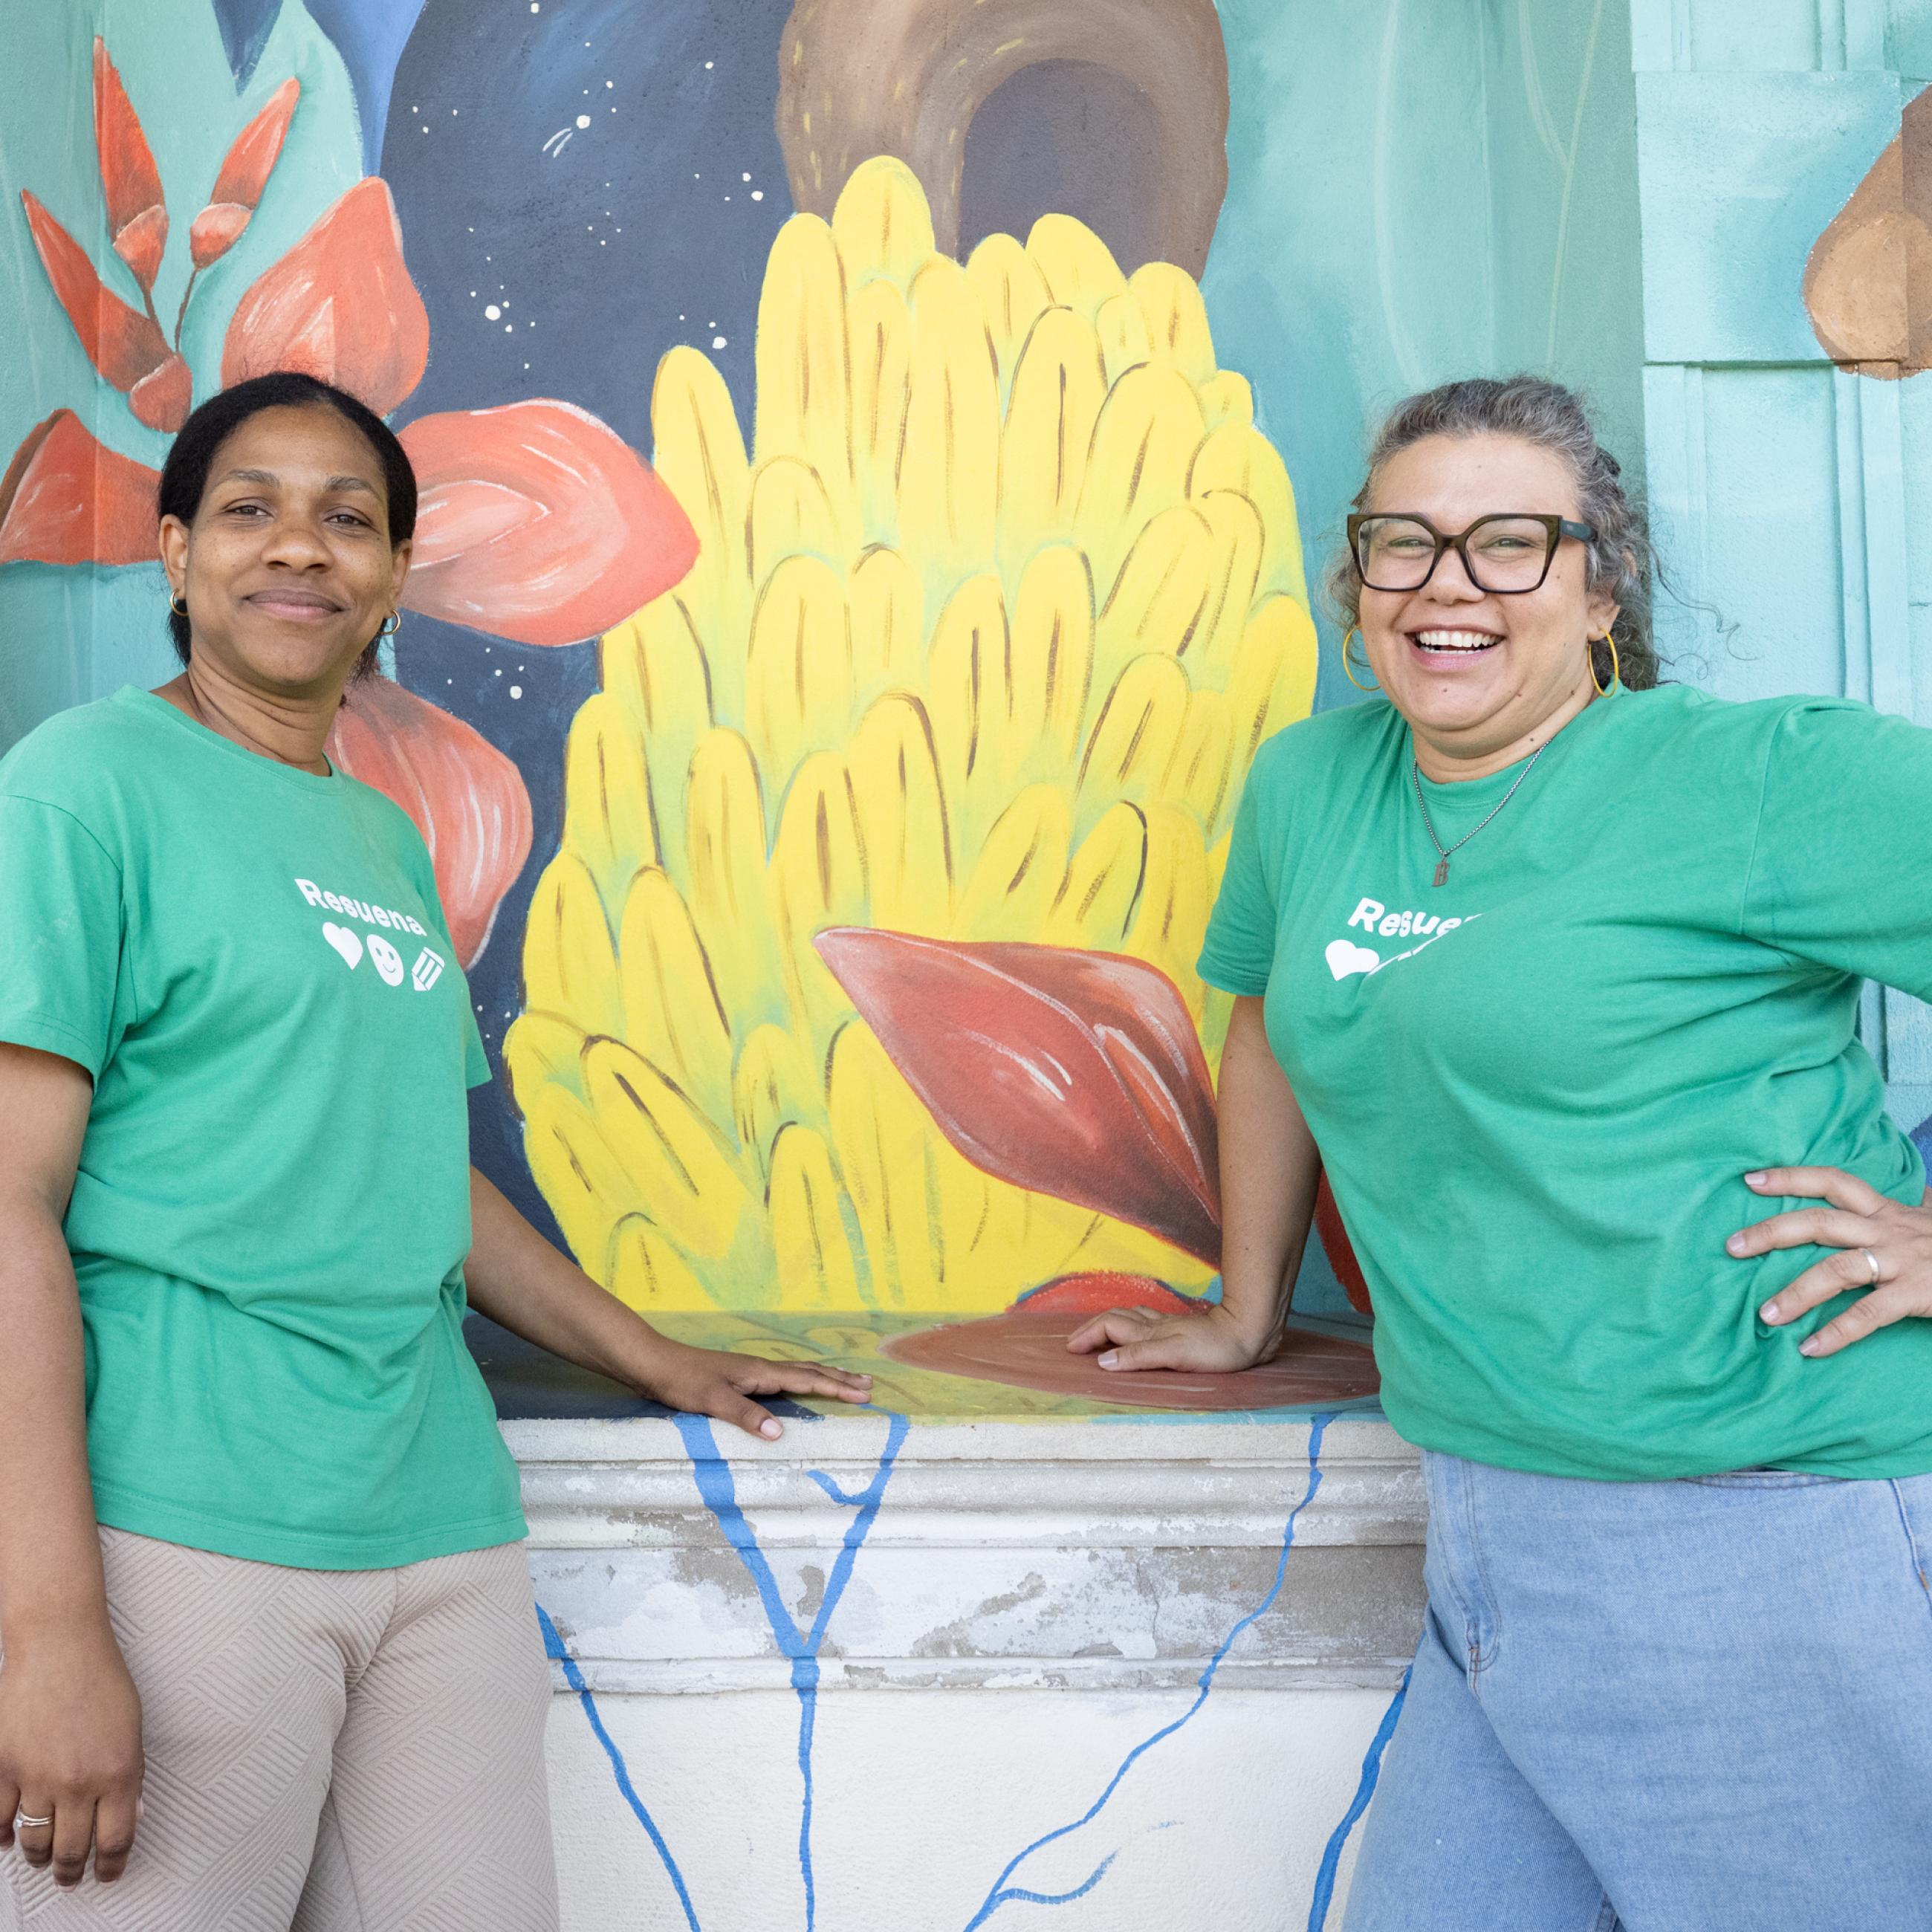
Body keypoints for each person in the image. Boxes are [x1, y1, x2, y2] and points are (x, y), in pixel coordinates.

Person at [0, 370, 871, 1930]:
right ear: (176, 552)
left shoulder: (384, 835)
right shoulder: (84, 787)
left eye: (348, 519)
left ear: (397, 574)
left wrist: (657, 1356)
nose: (301, 546)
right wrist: (48, 1630)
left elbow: (416, 1170)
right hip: (186, 1528)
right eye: (251, 510)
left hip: (439, 1526)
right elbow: (9, 1203)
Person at [1067, 375, 1932, 1931]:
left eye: (1510, 544)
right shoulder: (1312, 785)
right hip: (1488, 1521)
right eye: (1402, 543)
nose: (1446, 584)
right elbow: (1270, 1023)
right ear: (1357, 583)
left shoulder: (1754, 782)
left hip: (1755, 1517)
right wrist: (1246, 1305)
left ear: (1602, 591)